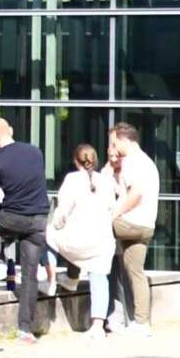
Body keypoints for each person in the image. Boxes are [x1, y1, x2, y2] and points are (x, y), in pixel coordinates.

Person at [0, 118, 50, 343]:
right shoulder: (35, 152)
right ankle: (25, 329)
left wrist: (0, 214)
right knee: (30, 273)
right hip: (38, 219)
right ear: (11, 130)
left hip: (12, 218)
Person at [48, 144, 119, 340]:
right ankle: (97, 326)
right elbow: (112, 207)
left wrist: (57, 224)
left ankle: (53, 279)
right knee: (99, 278)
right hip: (102, 241)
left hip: (78, 241)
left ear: (75, 161)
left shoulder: (72, 180)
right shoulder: (106, 181)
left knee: (47, 234)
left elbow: (62, 212)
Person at [107, 124, 160, 335]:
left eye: (114, 143)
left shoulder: (132, 162)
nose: (112, 147)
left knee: (94, 227)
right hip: (147, 224)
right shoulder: (148, 162)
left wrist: (114, 213)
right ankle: (141, 323)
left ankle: (74, 271)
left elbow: (135, 194)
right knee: (135, 272)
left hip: (131, 222)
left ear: (124, 141)